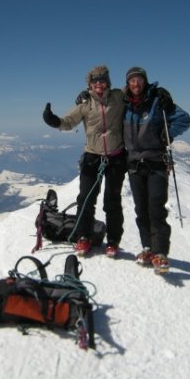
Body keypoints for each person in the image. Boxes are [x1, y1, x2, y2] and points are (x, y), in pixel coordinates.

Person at [43, 65, 128, 257]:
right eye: (95, 81)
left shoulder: (118, 97)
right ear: (90, 84)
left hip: (115, 157)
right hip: (92, 157)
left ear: (108, 82)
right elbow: (68, 121)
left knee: (112, 201)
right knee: (85, 199)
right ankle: (83, 237)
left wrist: (156, 92)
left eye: (102, 80)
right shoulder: (85, 102)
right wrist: (53, 121)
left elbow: (136, 91)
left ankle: (113, 241)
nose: (99, 84)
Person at [123, 66, 190, 272]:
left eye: (139, 80)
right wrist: (85, 95)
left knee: (155, 208)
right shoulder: (123, 104)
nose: (135, 84)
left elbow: (184, 119)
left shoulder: (157, 101)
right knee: (141, 210)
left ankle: (160, 252)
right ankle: (147, 248)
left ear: (144, 81)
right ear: (128, 84)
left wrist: (166, 134)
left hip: (156, 162)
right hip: (134, 163)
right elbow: (103, 102)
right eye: (132, 80)